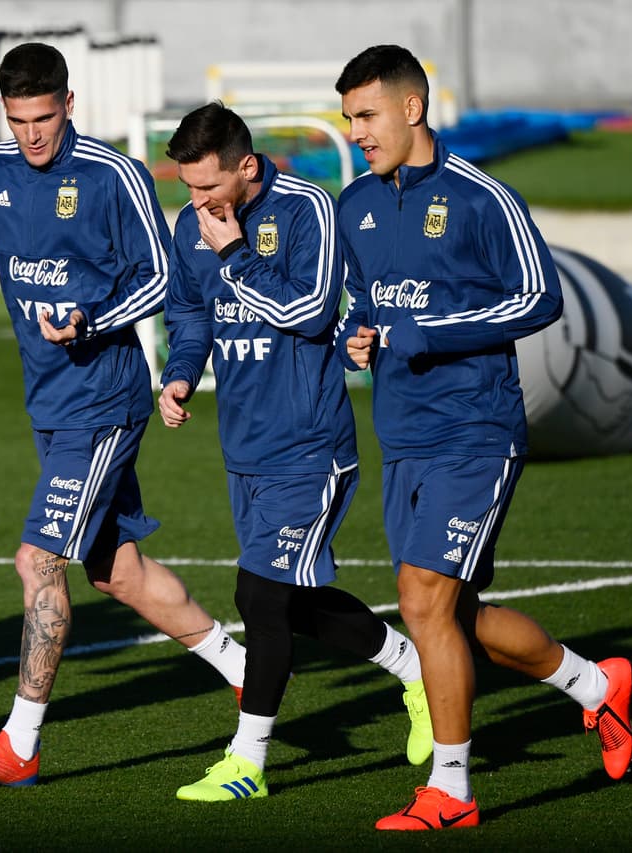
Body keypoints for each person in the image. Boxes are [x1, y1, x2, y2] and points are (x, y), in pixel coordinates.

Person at [0, 43, 249, 787]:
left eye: (43, 117)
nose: (32, 136)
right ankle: (245, 667)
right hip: (49, 401)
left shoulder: (112, 175)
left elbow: (162, 276)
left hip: (103, 401)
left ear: (69, 104)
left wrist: (91, 320)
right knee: (117, 571)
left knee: (39, 561)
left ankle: (20, 743)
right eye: (17, 121)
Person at [333, 44, 632, 830]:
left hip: (476, 430)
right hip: (401, 434)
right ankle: (595, 686)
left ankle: (453, 791)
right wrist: (359, 338)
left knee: (421, 601)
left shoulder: (481, 198)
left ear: (411, 107)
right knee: (454, 616)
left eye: (366, 115)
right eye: (349, 119)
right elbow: (365, 306)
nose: (357, 131)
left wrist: (426, 331)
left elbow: (540, 298)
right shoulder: (354, 204)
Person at [158, 102, 432, 803]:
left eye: (208, 187)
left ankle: (247, 761)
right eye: (188, 189)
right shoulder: (193, 227)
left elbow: (310, 314)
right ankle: (414, 669)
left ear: (246, 167)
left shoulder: (308, 208)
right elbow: (191, 316)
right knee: (289, 601)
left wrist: (235, 255)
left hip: (311, 448)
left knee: (258, 596)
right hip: (243, 450)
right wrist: (181, 373)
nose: (198, 203)